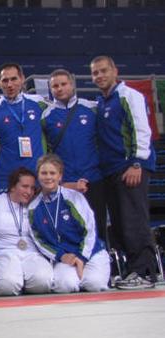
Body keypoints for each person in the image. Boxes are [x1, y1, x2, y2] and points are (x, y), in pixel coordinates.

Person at [91, 55, 158, 289]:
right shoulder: (102, 102)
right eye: (95, 73)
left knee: (134, 220)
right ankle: (132, 270)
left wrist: (137, 162)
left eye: (103, 71)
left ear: (115, 71)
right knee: (119, 223)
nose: (99, 76)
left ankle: (146, 271)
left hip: (130, 167)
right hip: (110, 171)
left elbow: (141, 128)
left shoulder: (129, 95)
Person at [29, 154, 109, 293]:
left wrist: (82, 257)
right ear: (38, 176)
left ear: (60, 176)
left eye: (52, 173)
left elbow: (89, 230)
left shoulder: (74, 197)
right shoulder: (33, 208)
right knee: (65, 285)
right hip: (66, 258)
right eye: (44, 173)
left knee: (94, 284)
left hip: (90, 253)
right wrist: (61, 256)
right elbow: (39, 241)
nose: (48, 177)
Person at [41, 69, 105, 241]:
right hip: (66, 183)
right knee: (70, 230)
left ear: (72, 85)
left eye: (63, 84)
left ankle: (104, 265)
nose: (60, 88)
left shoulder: (92, 109)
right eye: (55, 86)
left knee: (97, 228)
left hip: (94, 180)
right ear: (50, 89)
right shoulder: (46, 116)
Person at [0, 168, 52, 295]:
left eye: (32, 188)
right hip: (3, 253)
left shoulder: (37, 204)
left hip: (32, 254)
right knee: (6, 286)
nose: (29, 192)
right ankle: (15, 281)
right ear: (12, 187)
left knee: (43, 282)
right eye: (25, 186)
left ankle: (23, 282)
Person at [0, 62, 47, 190]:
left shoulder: (39, 103)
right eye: (5, 80)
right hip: (6, 176)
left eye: (14, 79)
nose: (10, 85)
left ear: (22, 79)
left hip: (37, 174)